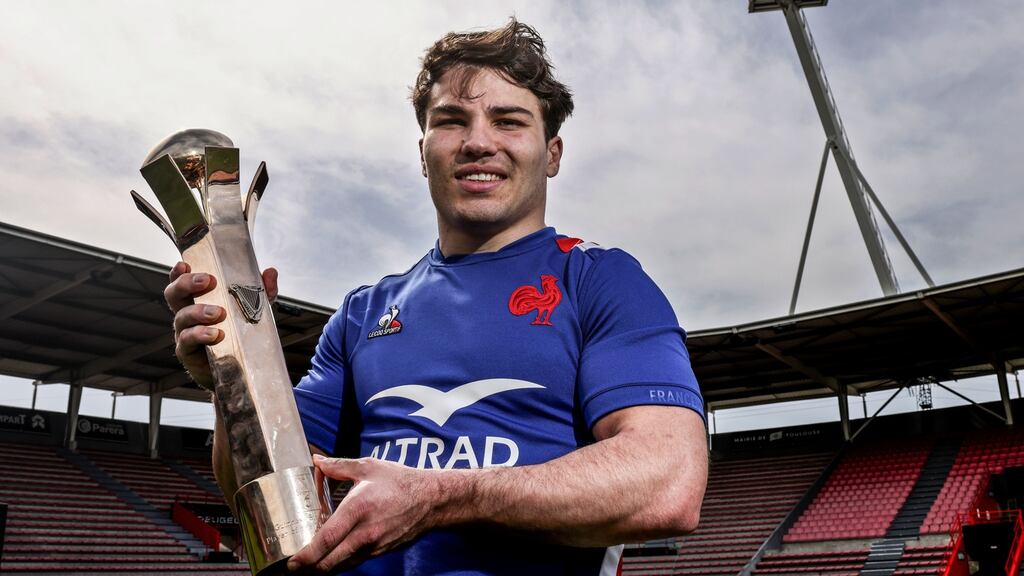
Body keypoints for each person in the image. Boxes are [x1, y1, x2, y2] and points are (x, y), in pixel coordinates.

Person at [164, 19, 707, 576]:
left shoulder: (602, 282)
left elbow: (669, 482)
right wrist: (232, 375)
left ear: (553, 153)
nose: (478, 142)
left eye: (508, 120)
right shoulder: (362, 313)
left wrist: (441, 497)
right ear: (423, 153)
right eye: (451, 121)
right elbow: (270, 501)